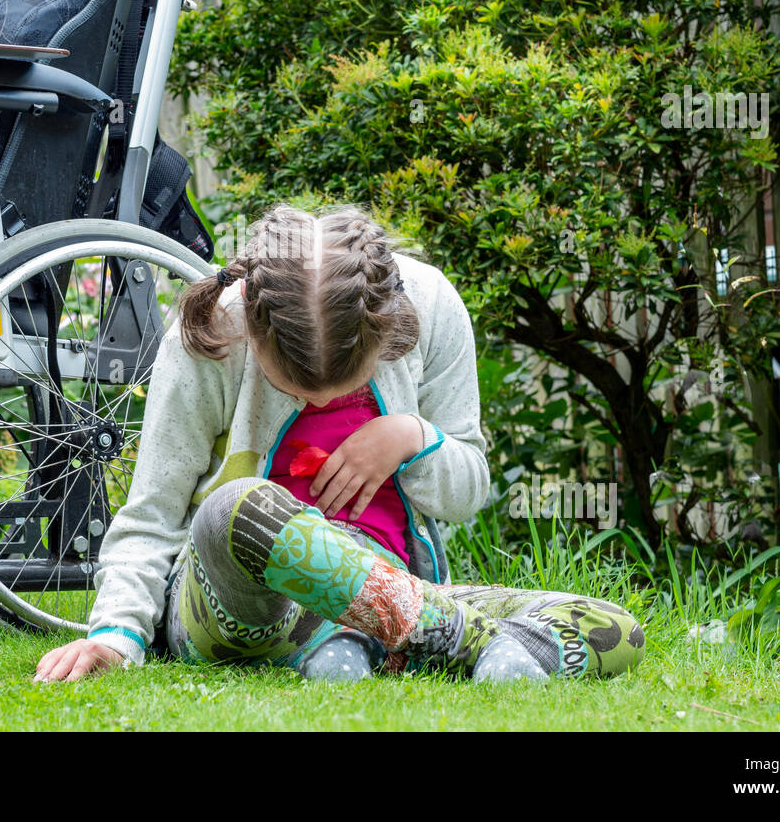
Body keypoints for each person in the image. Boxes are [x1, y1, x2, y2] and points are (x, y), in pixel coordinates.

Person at [34, 203, 645, 684]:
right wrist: (117, 633)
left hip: (390, 592)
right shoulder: (217, 329)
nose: (319, 405)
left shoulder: (429, 304)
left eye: (339, 386)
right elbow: (154, 510)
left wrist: (413, 438)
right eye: (293, 386)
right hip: (239, 609)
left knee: (613, 629)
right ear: (253, 321)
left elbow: (468, 490)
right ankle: (464, 641)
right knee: (236, 509)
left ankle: (359, 641)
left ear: (387, 331)